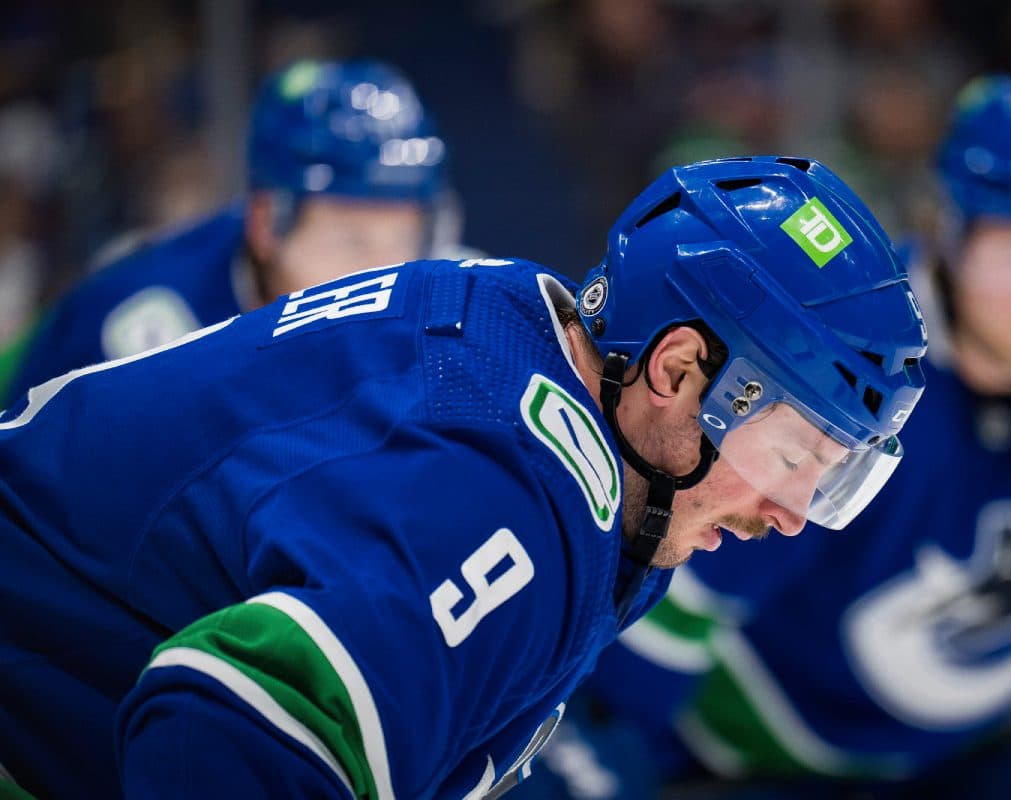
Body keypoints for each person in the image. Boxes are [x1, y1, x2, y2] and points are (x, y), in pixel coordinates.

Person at [0, 155, 926, 798]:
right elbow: (227, 730)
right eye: (796, 456)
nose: (793, 514)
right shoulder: (516, 504)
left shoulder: (513, 321)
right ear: (679, 371)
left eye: (833, 480)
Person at [527, 76, 1011, 799]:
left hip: (988, 751)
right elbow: (658, 641)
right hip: (760, 767)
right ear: (948, 230)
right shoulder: (842, 358)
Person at [1, 57, 465, 406]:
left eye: (405, 241)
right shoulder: (132, 338)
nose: (385, 274)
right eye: (350, 241)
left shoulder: (461, 303)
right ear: (266, 225)